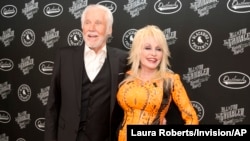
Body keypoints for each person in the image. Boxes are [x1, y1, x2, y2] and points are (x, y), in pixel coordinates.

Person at [44, 4, 129, 141]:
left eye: (98, 23)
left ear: (109, 29)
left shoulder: (123, 59)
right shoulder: (64, 56)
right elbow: (52, 106)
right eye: (87, 22)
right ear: (82, 27)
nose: (91, 28)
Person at [116, 25, 199, 141]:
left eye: (159, 49)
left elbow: (191, 118)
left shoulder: (170, 80)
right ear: (137, 50)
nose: (154, 54)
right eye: (147, 48)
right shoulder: (127, 76)